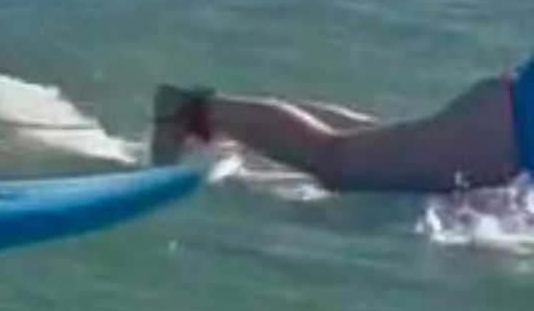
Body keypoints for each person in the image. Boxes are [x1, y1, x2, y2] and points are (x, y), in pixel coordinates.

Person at [151, 61, 534, 193]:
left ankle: (236, 121)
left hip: (506, 117)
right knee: (340, 165)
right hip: (506, 133)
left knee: (367, 143)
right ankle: (192, 112)